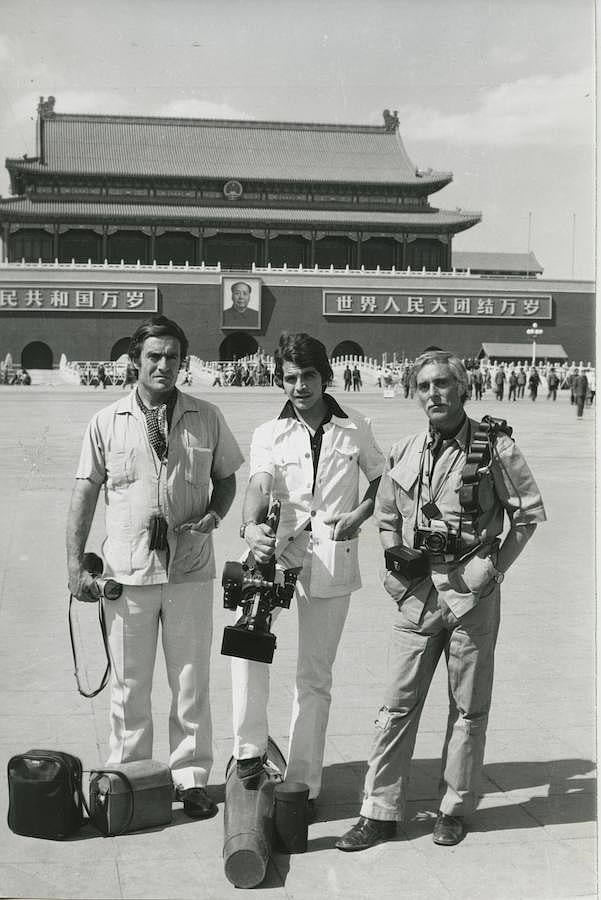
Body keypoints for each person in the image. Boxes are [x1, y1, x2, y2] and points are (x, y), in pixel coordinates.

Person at [336, 349, 545, 852]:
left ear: (462, 390)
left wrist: (493, 570)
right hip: (417, 597)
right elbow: (386, 515)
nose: (433, 393)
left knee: (468, 709)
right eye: (424, 385)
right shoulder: (405, 450)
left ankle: (453, 808)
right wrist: (396, 557)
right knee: (396, 706)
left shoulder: (495, 448)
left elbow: (528, 515)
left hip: (472, 597)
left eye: (443, 384)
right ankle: (379, 811)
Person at [66, 315, 244, 819]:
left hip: (189, 570)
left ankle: (190, 778)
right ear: (135, 362)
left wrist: (213, 514)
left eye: (172, 357)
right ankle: (130, 774)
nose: (163, 365)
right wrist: (75, 565)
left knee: (191, 680)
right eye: (154, 356)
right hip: (127, 574)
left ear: (182, 362)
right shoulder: (106, 421)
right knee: (129, 683)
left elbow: (226, 478)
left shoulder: (206, 416)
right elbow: (85, 493)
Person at [231, 332, 385, 811]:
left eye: (308, 376)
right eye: (290, 378)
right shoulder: (268, 433)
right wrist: (249, 525)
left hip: (331, 561)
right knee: (247, 649)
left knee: (314, 676)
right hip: (275, 559)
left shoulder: (356, 426)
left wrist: (360, 515)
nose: (299, 387)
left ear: (326, 376)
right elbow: (258, 483)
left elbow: (382, 477)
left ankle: (303, 783)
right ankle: (249, 752)